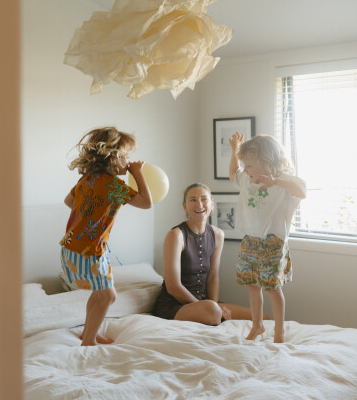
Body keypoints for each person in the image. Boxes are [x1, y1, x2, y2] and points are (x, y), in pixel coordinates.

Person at [60, 127, 152, 346]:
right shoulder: (112, 185)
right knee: (109, 296)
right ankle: (89, 341)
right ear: (113, 159)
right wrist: (137, 173)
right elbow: (146, 202)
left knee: (99, 294)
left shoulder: (87, 180)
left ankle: (89, 331)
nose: (129, 163)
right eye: (126, 158)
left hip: (72, 248)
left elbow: (68, 201)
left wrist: (88, 212)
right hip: (90, 251)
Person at [229, 133, 306, 343]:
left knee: (273, 288)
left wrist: (275, 182)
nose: (245, 169)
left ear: (266, 162)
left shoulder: (283, 181)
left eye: (249, 165)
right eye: (245, 165)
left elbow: (302, 191)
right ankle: (258, 325)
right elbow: (233, 173)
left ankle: (279, 331)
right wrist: (235, 150)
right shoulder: (247, 179)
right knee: (252, 285)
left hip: (272, 241)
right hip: (250, 240)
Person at [152, 183, 253, 324]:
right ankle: (212, 311)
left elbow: (213, 277)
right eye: (193, 200)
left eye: (204, 199)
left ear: (212, 204)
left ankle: (212, 311)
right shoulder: (176, 235)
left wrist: (213, 304)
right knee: (213, 311)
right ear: (185, 206)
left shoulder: (218, 234)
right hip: (174, 305)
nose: (199, 204)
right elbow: (173, 286)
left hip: (206, 304)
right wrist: (206, 307)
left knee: (261, 317)